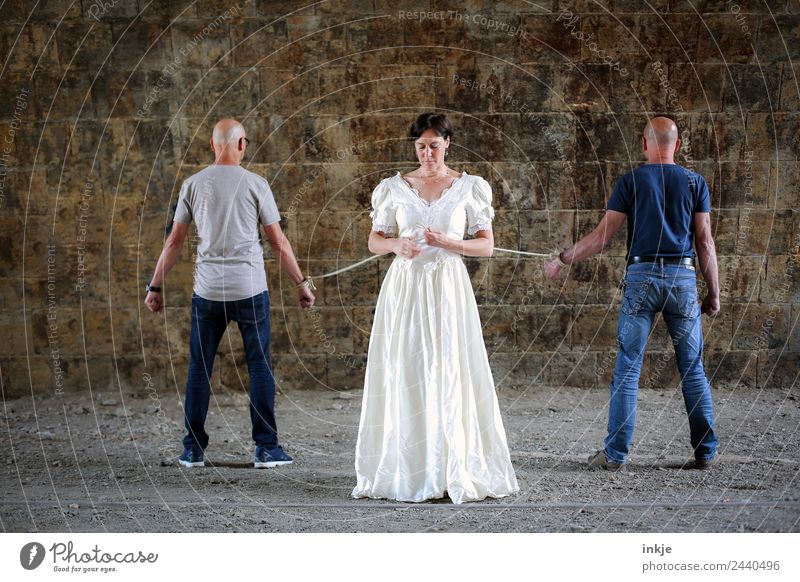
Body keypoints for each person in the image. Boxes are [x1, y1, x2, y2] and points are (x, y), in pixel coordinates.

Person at [352, 112, 519, 503]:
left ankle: (453, 465)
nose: (427, 153)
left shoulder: (470, 187)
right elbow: (374, 241)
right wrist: (396, 245)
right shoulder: (392, 188)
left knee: (450, 368)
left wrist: (451, 243)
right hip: (406, 288)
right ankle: (409, 468)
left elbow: (487, 245)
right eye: (421, 146)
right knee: (406, 368)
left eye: (434, 145)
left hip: (447, 286)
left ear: (448, 144)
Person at [545, 116, 720, 470]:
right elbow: (705, 242)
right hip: (682, 280)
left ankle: (615, 455)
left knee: (627, 369)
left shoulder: (631, 182)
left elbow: (600, 238)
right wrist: (713, 292)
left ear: (644, 144)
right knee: (692, 369)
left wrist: (563, 259)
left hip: (640, 277)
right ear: (678, 146)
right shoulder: (695, 182)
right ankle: (705, 451)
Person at [145, 118, 315, 469]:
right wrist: (301, 284)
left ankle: (192, 449)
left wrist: (155, 286)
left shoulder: (192, 184)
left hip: (207, 292)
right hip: (250, 291)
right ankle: (267, 448)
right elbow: (277, 242)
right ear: (242, 145)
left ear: (212, 145)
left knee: (199, 368)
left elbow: (174, 241)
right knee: (259, 366)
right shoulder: (256, 184)